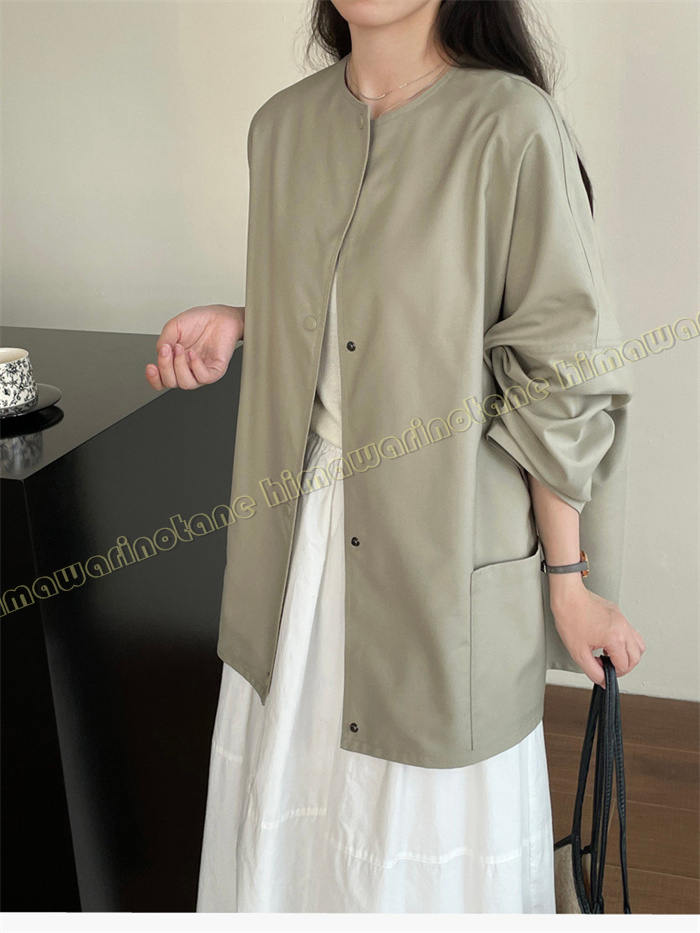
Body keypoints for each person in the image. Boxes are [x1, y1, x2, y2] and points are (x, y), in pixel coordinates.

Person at [146, 0, 646, 913]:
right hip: (296, 557)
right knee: (290, 813)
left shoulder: (510, 125)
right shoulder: (281, 128)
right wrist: (247, 319)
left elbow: (557, 377)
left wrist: (568, 581)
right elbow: (364, 307)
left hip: (440, 551)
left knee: (415, 836)